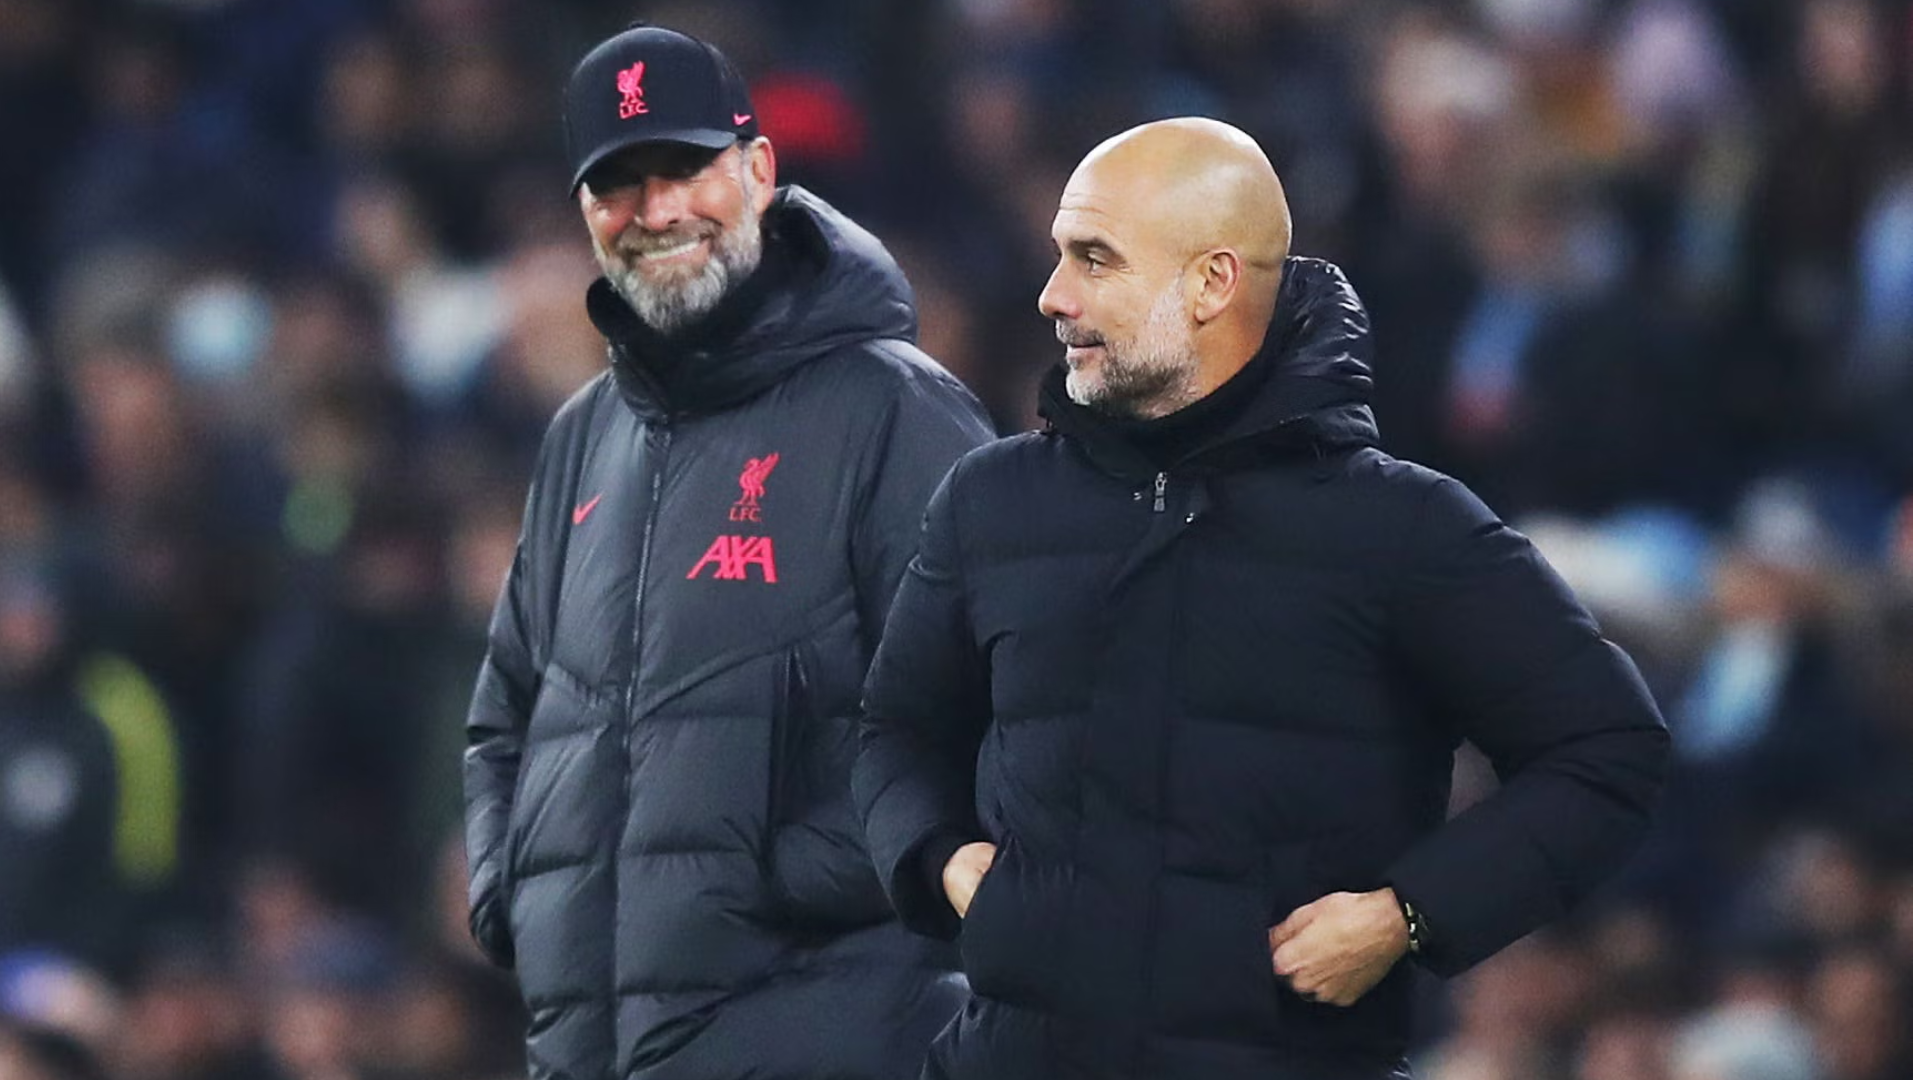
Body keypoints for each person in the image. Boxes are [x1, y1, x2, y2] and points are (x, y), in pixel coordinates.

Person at [854, 118, 1670, 1080]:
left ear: (1212, 282)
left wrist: (1408, 914)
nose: (1053, 296)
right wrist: (941, 860)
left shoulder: (1399, 527)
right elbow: (895, 729)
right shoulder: (992, 502)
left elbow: (1608, 747)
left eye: (1094, 259)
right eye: (1058, 256)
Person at [460, 24, 994, 1080]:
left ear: (759, 169)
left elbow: (996, 717)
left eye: (684, 168)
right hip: (590, 1047)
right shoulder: (582, 435)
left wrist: (773, 872)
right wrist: (510, 887)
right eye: (617, 186)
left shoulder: (894, 410)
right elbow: (505, 713)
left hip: (836, 1032)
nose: (654, 213)